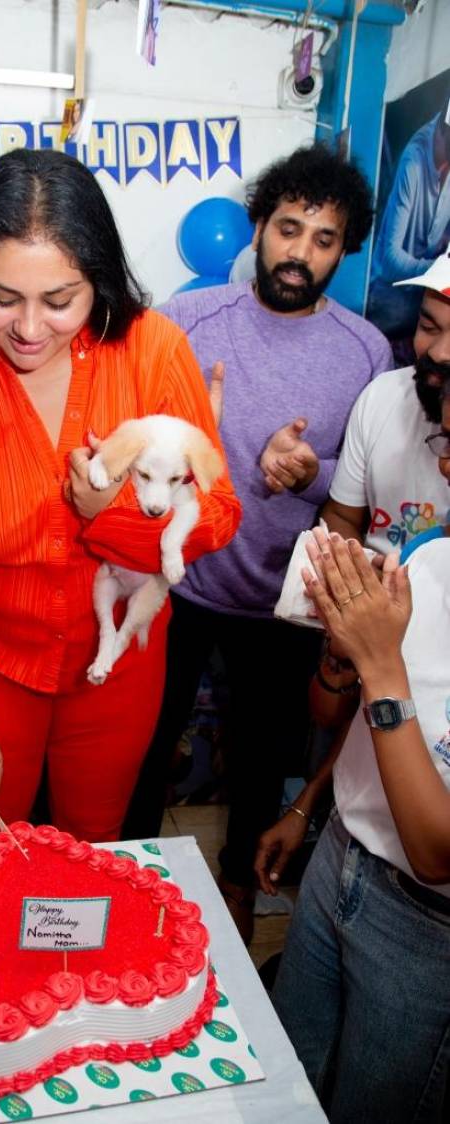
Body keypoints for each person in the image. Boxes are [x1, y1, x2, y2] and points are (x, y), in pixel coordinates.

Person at [0, 148, 240, 853]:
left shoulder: (151, 349)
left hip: (120, 664)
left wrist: (116, 519)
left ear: (97, 279)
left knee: (94, 850)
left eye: (60, 300)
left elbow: (219, 516)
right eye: (1, 297)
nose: (30, 328)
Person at [122, 143, 393, 943]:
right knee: (143, 745)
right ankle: (128, 880)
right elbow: (133, 430)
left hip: (283, 599)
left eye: (323, 239)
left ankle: (240, 888)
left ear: (344, 250)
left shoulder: (367, 351)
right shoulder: (184, 321)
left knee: (262, 761)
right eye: (289, 228)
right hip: (175, 584)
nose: (301, 252)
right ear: (257, 230)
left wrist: (311, 472)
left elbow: (366, 472)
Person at [256, 250, 450, 907]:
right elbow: (352, 708)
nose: (438, 352)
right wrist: (312, 805)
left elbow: (435, 854)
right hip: (352, 816)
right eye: (429, 326)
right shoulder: (385, 403)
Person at [267, 476, 450, 1121]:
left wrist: (379, 666)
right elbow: (335, 717)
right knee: (288, 1084)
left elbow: (436, 852)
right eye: (446, 444)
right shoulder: (427, 557)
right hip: (337, 864)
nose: (449, 469)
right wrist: (310, 805)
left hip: (426, 932)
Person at [323, 248, 450, 555]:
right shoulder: (382, 395)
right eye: (428, 328)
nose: (438, 352)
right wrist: (363, 582)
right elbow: (340, 515)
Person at [368, 101, 450, 339]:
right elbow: (390, 260)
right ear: (440, 134)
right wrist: (438, 270)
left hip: (423, 299)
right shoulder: (413, 162)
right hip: (387, 301)